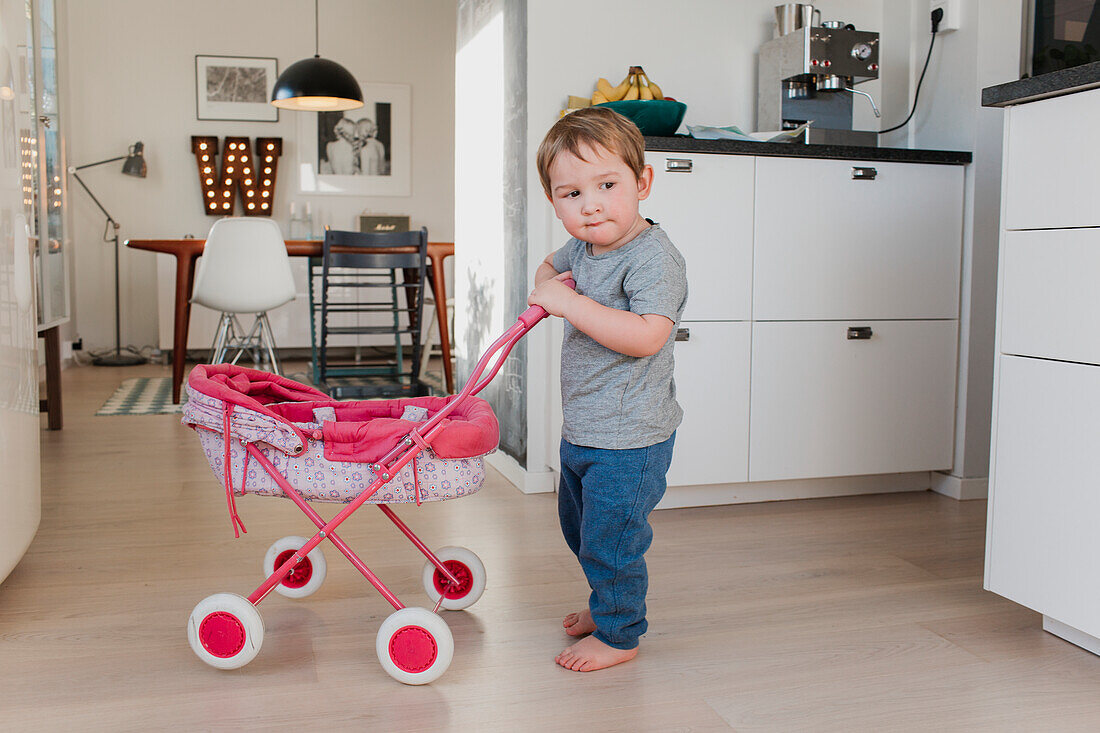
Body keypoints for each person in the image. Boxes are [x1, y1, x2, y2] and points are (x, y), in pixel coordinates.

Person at [527, 106, 687, 672]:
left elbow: (646, 337)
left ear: (641, 183)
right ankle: (608, 602)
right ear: (555, 201)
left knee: (613, 541)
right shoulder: (584, 248)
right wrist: (551, 284)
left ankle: (621, 634)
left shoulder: (652, 258)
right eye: (570, 194)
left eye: (607, 185)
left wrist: (567, 302)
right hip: (585, 428)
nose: (589, 204)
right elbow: (548, 266)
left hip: (631, 437)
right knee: (582, 531)